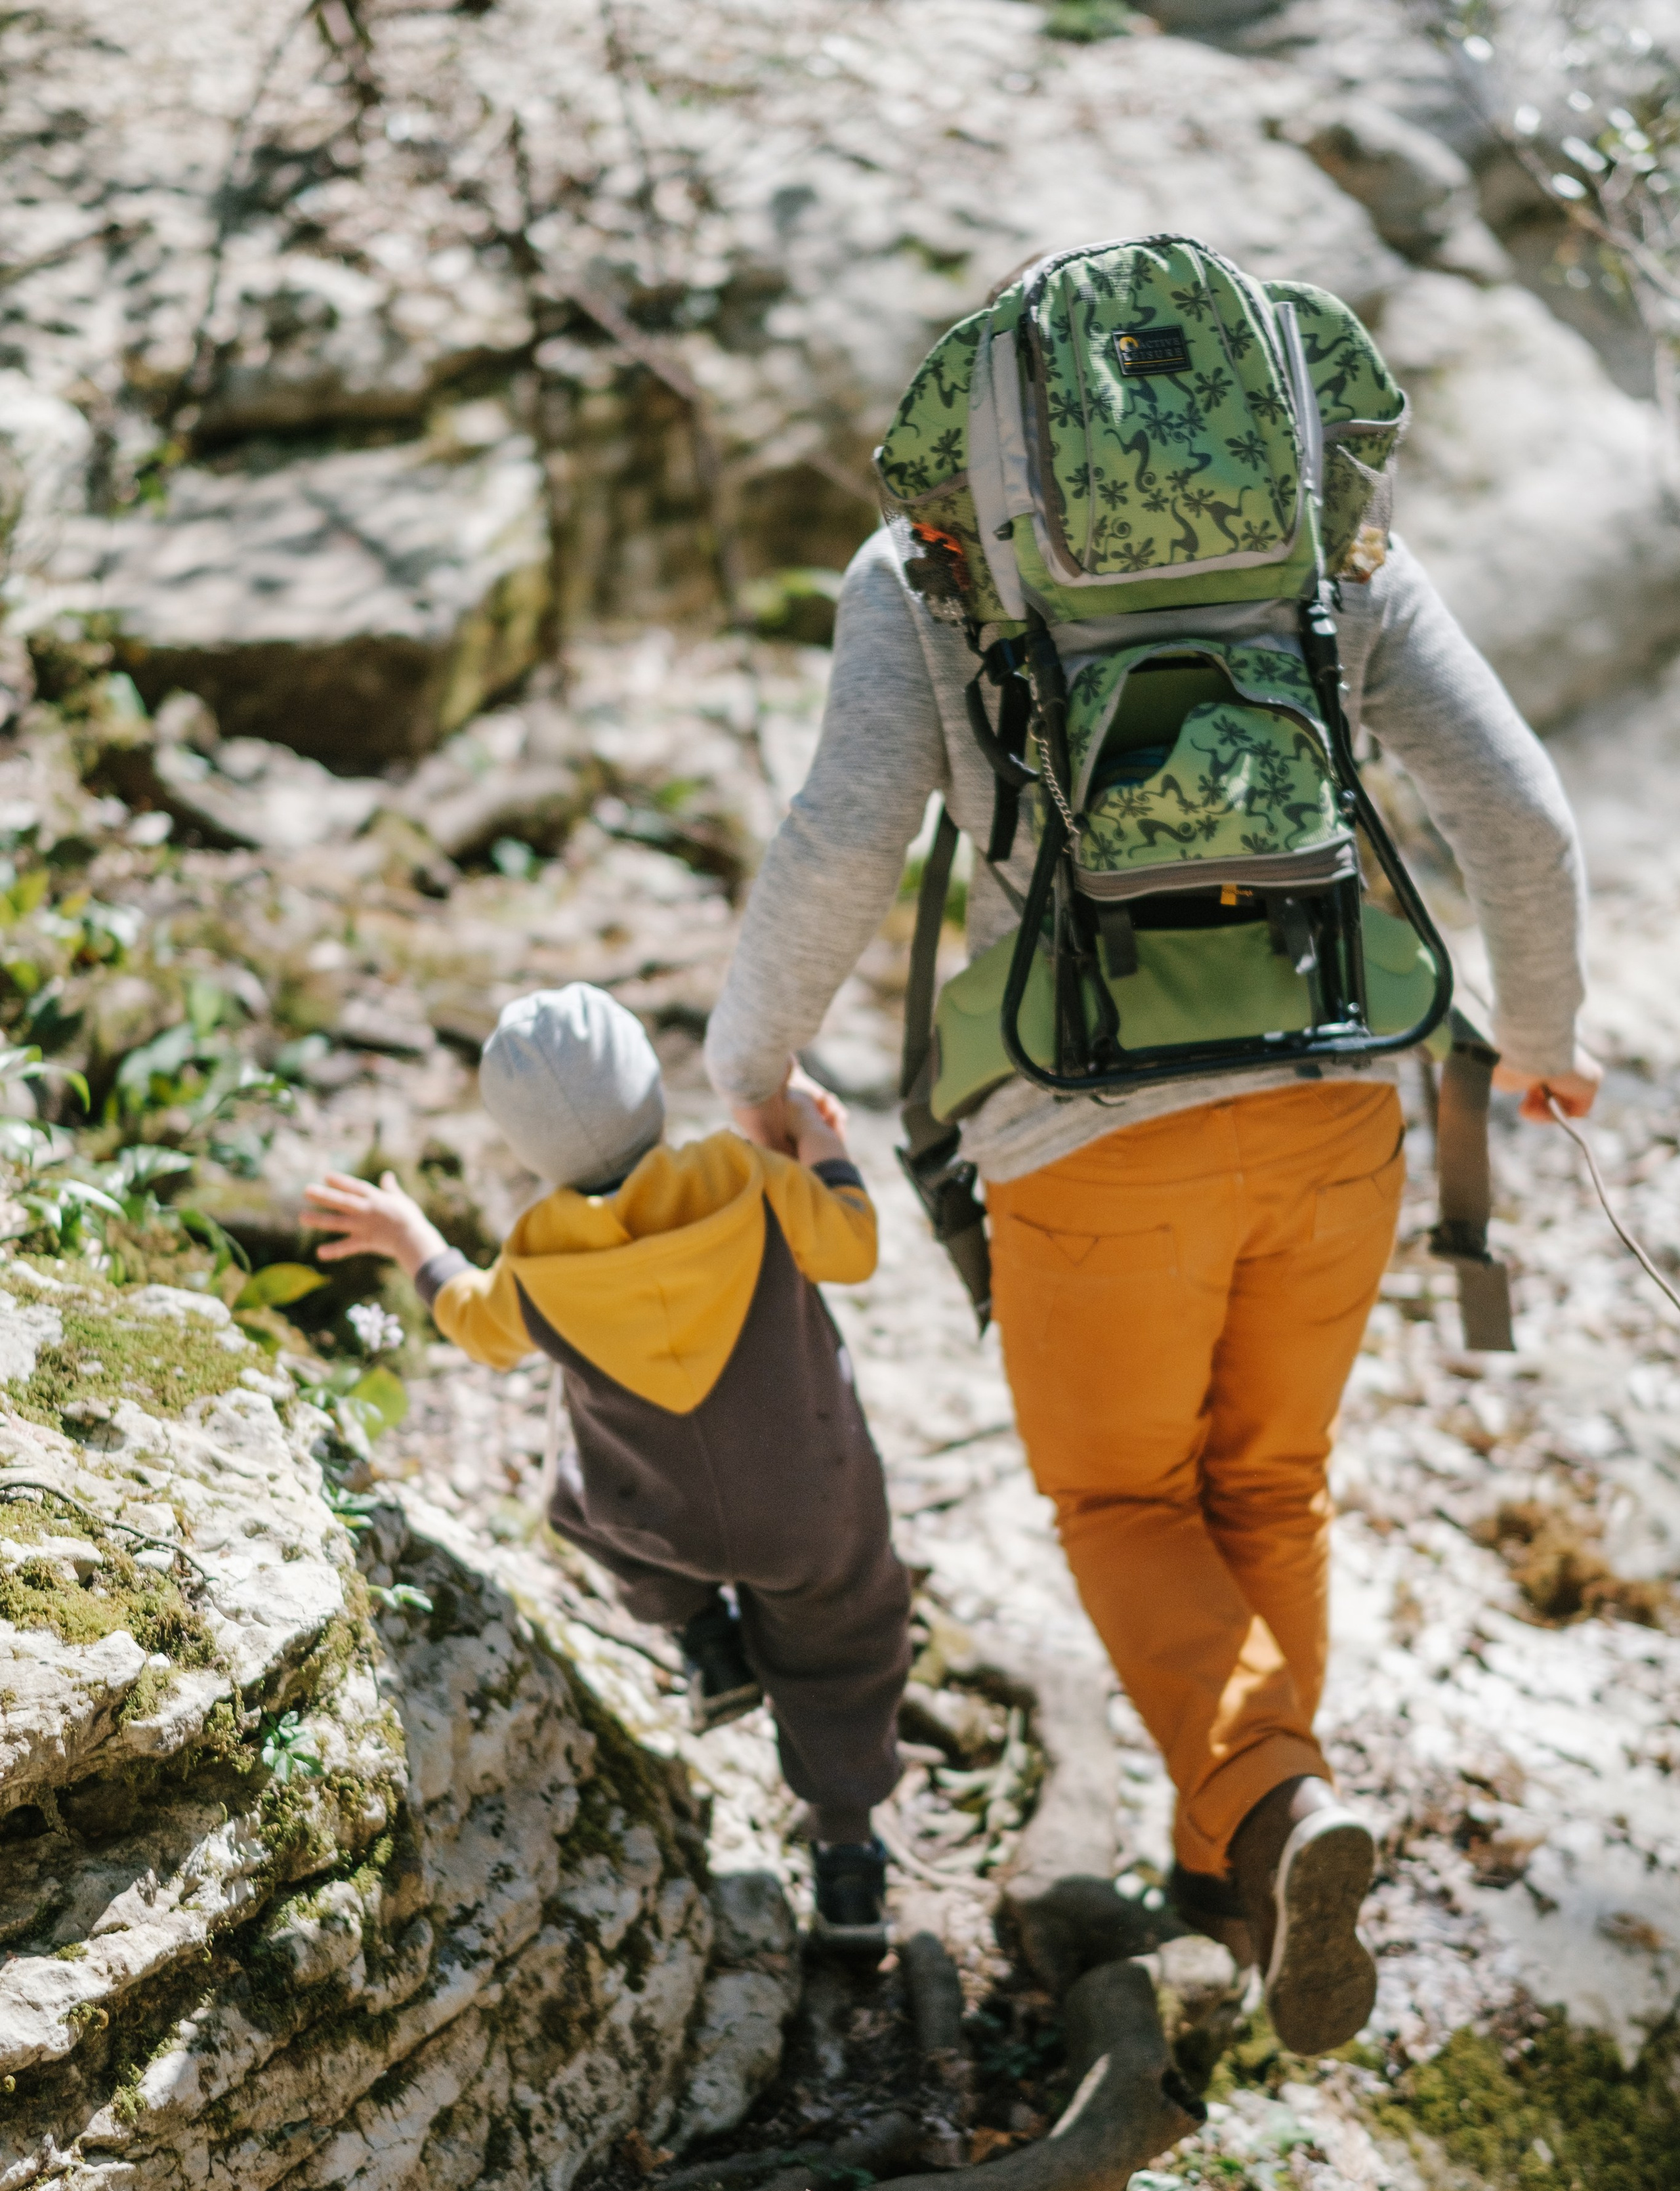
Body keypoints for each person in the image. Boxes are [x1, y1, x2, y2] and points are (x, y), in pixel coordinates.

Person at [704, 482, 1598, 2055]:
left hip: (1087, 1124)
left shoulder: (927, 565)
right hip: (1333, 1093)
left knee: (1125, 1502)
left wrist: (752, 1064)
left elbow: (843, 835)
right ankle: (1228, 1888)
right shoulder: (1319, 517)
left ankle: (1269, 1806)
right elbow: (1514, 808)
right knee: (1270, 1486)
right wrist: (1538, 1033)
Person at [301, 983, 911, 1948]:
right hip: (811, 1509)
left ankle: (704, 1637)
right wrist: (819, 1139)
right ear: (652, 1090)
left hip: (653, 1519)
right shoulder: (745, 1178)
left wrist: (412, 1238)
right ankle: (847, 1859)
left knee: (577, 1493)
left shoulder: (539, 1259)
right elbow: (855, 1245)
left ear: (526, 1150)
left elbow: (475, 1326)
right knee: (844, 1649)